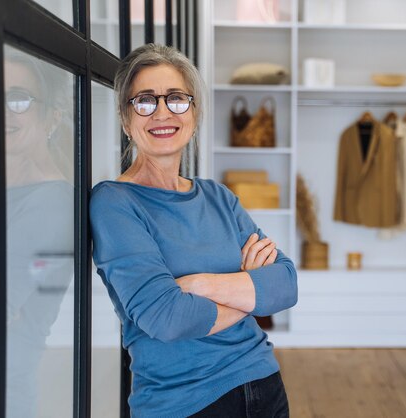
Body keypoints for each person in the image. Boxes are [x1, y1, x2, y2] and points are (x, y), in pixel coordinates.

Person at [90, 43, 298, 417]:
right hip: (183, 403)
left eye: (176, 99)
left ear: (194, 113)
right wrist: (248, 286)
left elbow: (285, 284)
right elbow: (167, 318)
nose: (162, 112)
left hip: (264, 385)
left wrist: (199, 285)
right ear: (126, 118)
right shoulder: (114, 202)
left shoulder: (218, 197)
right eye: (145, 101)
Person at [3, 46, 74, 417]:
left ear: (52, 117)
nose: (2, 111)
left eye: (19, 99)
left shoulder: (52, 204)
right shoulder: (5, 188)